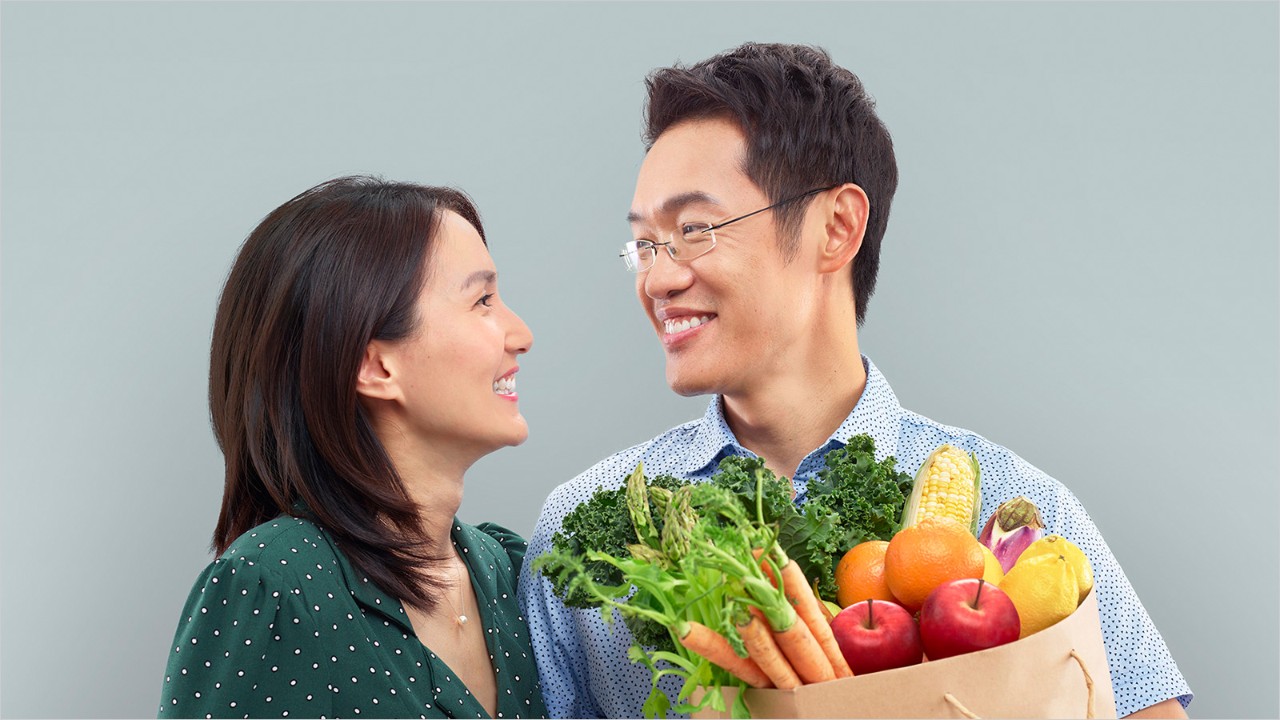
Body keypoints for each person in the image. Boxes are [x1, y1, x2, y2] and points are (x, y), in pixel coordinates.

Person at [518, 43, 1192, 718]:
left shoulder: (1020, 510)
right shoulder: (584, 537)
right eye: (645, 244)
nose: (658, 278)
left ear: (836, 228)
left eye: (695, 230)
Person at [159, 176, 547, 719]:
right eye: (482, 300)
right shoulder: (273, 586)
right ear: (375, 366)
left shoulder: (513, 573)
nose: (521, 332)